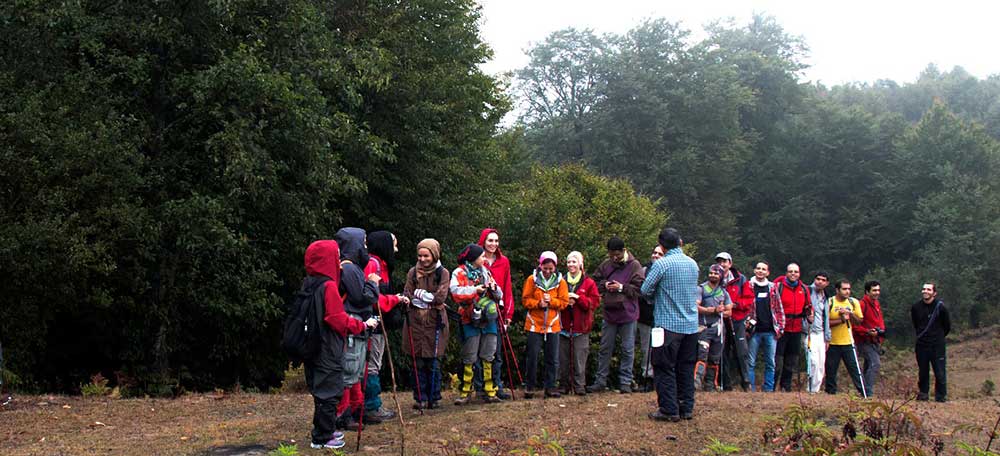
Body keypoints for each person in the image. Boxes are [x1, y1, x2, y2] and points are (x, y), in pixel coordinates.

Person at [301, 240, 378, 449]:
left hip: (312, 345)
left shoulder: (309, 282)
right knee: (330, 391)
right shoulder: (328, 286)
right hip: (328, 346)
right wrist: (361, 325)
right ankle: (323, 436)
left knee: (320, 390)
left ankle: (322, 433)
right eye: (335, 256)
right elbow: (337, 318)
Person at [641, 228, 699, 422]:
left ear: (662, 245)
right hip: (691, 325)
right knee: (686, 367)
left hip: (667, 325)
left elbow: (645, 289)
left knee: (663, 367)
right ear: (680, 242)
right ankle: (686, 407)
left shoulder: (662, 264)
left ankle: (668, 409)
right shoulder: (693, 264)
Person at [332, 228, 380, 431]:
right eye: (364, 242)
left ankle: (355, 412)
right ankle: (344, 416)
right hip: (352, 326)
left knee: (355, 371)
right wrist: (372, 283)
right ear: (355, 244)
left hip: (357, 324)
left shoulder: (349, 267)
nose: (366, 247)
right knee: (350, 370)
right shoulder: (349, 269)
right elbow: (361, 298)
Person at [589, 236, 645, 394]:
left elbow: (640, 289)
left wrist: (621, 287)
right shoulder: (606, 265)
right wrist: (605, 285)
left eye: (617, 255)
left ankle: (625, 382)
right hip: (610, 313)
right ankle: (600, 381)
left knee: (627, 349)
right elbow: (595, 281)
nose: (614, 258)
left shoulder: (634, 266)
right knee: (605, 348)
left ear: (624, 251)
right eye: (611, 254)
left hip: (628, 314)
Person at [450, 243, 504, 405]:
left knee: (488, 354)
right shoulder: (459, 272)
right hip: (469, 318)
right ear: (473, 258)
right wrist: (475, 290)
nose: (484, 258)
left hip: (488, 319)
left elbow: (499, 293)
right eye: (481, 256)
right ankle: (465, 392)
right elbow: (455, 292)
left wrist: (494, 289)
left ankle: (490, 391)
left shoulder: (485, 271)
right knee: (470, 356)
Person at [362, 231, 406, 423]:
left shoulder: (381, 265)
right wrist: (395, 299)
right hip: (372, 324)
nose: (396, 249)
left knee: (372, 364)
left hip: (377, 323)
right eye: (394, 244)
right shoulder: (374, 265)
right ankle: (371, 406)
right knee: (372, 365)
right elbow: (373, 298)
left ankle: (369, 404)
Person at [402, 239, 451, 410]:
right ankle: (420, 397)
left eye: (426, 256)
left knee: (433, 361)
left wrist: (421, 295)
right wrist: (421, 296)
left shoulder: (442, 273)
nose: (422, 259)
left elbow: (440, 297)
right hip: (415, 321)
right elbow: (407, 293)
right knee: (417, 361)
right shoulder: (413, 272)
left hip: (434, 321)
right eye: (420, 255)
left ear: (434, 255)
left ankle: (434, 396)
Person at [522, 251, 569, 398]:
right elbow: (525, 300)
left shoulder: (561, 282)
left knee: (552, 358)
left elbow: (564, 302)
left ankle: (550, 387)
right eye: (545, 268)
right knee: (532, 356)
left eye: (550, 268)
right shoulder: (532, 279)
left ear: (555, 267)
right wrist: (538, 303)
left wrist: (552, 302)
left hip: (553, 324)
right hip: (534, 323)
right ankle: (529, 386)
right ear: (540, 266)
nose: (548, 271)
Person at [474, 228, 514, 400]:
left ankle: (496, 384)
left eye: (496, 241)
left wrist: (508, 314)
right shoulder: (476, 260)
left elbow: (507, 287)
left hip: (497, 310)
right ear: (483, 241)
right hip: (478, 308)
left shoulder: (503, 261)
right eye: (490, 240)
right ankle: (479, 386)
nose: (493, 244)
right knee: (477, 349)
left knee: (495, 350)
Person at [558, 251, 600, 396]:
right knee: (563, 359)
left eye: (574, 262)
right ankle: (564, 385)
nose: (571, 265)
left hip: (581, 327)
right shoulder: (561, 281)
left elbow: (594, 303)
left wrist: (578, 298)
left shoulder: (589, 282)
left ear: (580, 264)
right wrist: (565, 301)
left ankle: (579, 385)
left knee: (579, 359)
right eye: (569, 262)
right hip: (563, 326)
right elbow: (556, 300)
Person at [772, 263, 812, 392]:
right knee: (778, 360)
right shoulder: (779, 287)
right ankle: (772, 386)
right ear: (786, 273)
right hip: (781, 329)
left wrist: (809, 313)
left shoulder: (804, 289)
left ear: (799, 274)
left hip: (797, 328)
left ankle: (786, 387)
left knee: (791, 360)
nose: (793, 274)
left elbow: (808, 306)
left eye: (795, 272)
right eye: (790, 271)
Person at [745, 261, 783, 392]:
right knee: (750, 362)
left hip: (770, 331)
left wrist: (780, 327)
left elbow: (779, 308)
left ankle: (768, 389)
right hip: (754, 331)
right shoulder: (748, 286)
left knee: (770, 363)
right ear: (755, 270)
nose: (761, 271)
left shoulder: (772, 287)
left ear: (768, 272)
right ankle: (751, 389)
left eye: (763, 269)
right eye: (758, 268)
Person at [694, 264, 733, 392]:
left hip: (718, 329)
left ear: (721, 276)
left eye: (716, 273)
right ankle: (696, 383)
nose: (713, 275)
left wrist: (722, 311)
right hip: (704, 328)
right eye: (711, 273)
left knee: (715, 358)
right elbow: (696, 307)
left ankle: (710, 385)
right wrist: (710, 310)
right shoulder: (701, 289)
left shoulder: (724, 292)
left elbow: (729, 311)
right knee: (702, 356)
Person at [824, 280, 866, 396]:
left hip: (848, 342)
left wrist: (850, 314)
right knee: (831, 371)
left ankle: (864, 393)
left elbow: (859, 321)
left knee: (855, 369)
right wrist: (841, 320)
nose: (847, 291)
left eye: (848, 289)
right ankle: (830, 393)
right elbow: (825, 322)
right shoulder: (830, 302)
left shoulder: (853, 302)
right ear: (837, 290)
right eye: (844, 289)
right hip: (832, 343)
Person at [716, 252, 750, 391]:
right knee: (722, 351)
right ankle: (726, 384)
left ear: (730, 263)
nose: (722, 265)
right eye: (719, 262)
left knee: (741, 352)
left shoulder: (741, 279)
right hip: (720, 320)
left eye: (725, 262)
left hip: (737, 319)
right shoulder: (714, 278)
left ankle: (746, 382)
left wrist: (734, 305)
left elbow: (748, 298)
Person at [911, 282, 950, 402]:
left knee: (939, 371)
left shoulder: (941, 307)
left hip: (937, 345)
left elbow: (947, 326)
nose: (925, 291)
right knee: (923, 370)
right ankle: (923, 393)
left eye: (928, 289)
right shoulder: (915, 307)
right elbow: (915, 324)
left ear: (934, 293)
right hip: (922, 344)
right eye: (924, 289)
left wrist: (938, 336)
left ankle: (940, 396)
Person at [636, 246, 665, 392]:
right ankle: (647, 378)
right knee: (646, 349)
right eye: (654, 252)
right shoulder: (644, 270)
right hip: (645, 317)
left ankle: (661, 378)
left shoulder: (667, 270)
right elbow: (639, 291)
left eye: (660, 253)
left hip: (664, 318)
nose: (656, 255)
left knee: (661, 349)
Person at [854, 280, 885, 396]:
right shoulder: (862, 305)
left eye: (878, 290)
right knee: (875, 363)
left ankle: (864, 392)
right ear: (867, 291)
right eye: (874, 290)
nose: (877, 293)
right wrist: (867, 332)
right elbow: (855, 325)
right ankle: (867, 392)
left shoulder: (876, 304)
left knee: (868, 365)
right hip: (864, 340)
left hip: (875, 341)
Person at [804, 272, 832, 393]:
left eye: (823, 280)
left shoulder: (825, 295)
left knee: (821, 364)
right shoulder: (807, 292)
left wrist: (827, 337)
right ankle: (809, 388)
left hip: (821, 333)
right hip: (808, 332)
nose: (820, 282)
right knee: (813, 361)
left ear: (827, 283)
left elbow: (826, 317)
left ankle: (815, 390)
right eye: (818, 279)